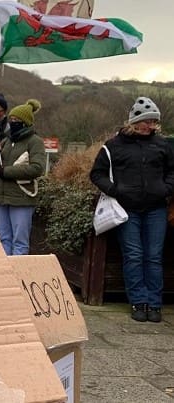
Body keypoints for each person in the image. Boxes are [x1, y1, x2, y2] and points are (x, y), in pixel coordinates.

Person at [90, 97, 174, 323]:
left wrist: (166, 189)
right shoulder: (113, 146)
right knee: (134, 256)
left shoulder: (163, 145)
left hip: (156, 208)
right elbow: (96, 173)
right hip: (126, 210)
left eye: (154, 122)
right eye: (147, 121)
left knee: (154, 257)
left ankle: (155, 304)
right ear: (134, 121)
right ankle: (138, 301)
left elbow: (172, 171)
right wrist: (116, 190)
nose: (151, 126)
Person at [0, 99, 46, 255]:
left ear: (25, 122)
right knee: (3, 239)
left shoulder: (35, 142)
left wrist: (7, 172)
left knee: (20, 242)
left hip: (22, 198)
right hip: (1, 197)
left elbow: (37, 168)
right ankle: (5, 274)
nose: (13, 122)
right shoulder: (6, 141)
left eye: (17, 120)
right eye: (11, 119)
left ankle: (19, 276)